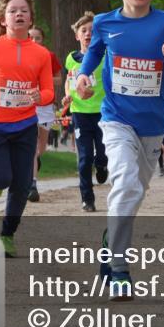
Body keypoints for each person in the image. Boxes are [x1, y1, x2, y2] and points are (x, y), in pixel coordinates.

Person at [75, 0, 164, 300]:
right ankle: (119, 270)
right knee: (126, 182)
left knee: (134, 192)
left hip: (153, 125)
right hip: (116, 119)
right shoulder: (104, 22)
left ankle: (110, 240)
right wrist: (83, 76)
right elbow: (92, 56)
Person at [0, 0, 56, 258]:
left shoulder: (41, 54)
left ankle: (7, 234)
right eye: (12, 11)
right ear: (3, 19)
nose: (18, 14)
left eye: (23, 11)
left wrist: (40, 96)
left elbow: (49, 91)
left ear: (31, 19)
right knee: (1, 180)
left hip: (25, 126)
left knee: (22, 184)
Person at [63, 11, 109, 212]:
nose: (88, 34)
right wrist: (67, 95)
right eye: (84, 30)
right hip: (80, 113)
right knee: (84, 158)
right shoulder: (71, 58)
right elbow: (68, 80)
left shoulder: (105, 55)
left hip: (103, 112)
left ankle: (102, 165)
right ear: (77, 36)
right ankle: (87, 199)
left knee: (103, 152)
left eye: (92, 30)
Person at [26, 26, 63, 203]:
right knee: (32, 147)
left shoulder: (49, 56)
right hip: (28, 105)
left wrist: (44, 80)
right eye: (30, 37)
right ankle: (32, 184)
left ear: (43, 40)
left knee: (41, 148)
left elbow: (59, 79)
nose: (34, 41)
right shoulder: (22, 56)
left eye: (37, 38)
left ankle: (35, 160)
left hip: (46, 106)